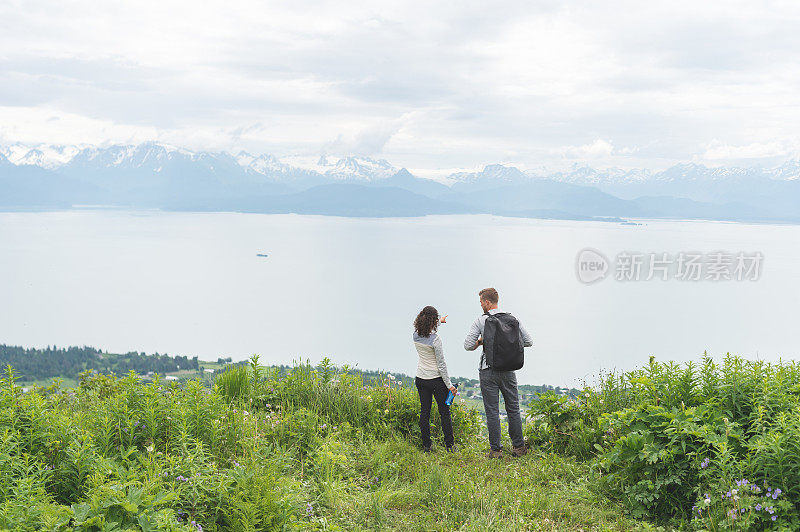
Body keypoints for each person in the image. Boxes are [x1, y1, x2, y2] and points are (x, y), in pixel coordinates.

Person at [464, 288, 533, 458]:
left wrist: (481, 342)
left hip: (488, 370)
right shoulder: (512, 319)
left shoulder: (481, 321)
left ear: (487, 302)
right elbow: (528, 341)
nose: (480, 305)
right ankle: (518, 447)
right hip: (509, 370)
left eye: (481, 302)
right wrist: (509, 348)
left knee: (492, 411)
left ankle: (496, 451)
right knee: (514, 408)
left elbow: (467, 345)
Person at [413, 305, 457, 452]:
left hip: (421, 378)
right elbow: (441, 365)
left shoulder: (415, 335)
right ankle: (450, 446)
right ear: (433, 321)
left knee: (425, 412)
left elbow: (427, 330)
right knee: (444, 412)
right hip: (436, 380)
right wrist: (450, 385)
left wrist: (440, 321)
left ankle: (427, 446)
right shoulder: (436, 340)